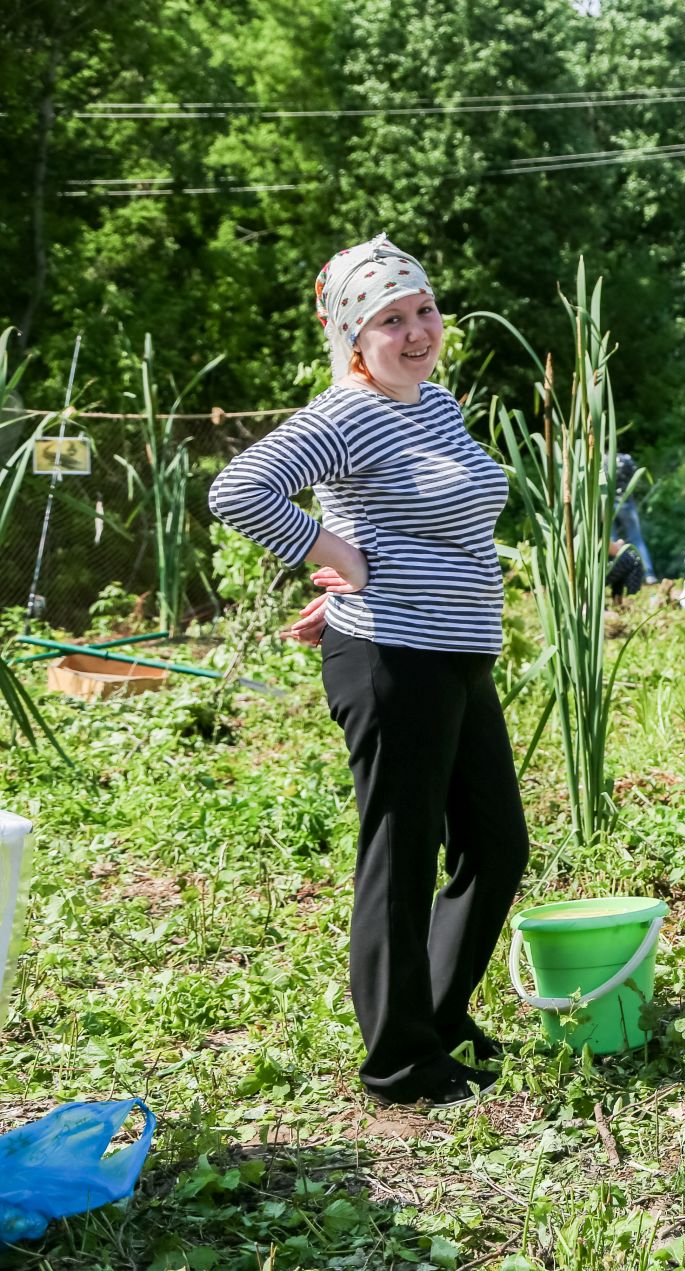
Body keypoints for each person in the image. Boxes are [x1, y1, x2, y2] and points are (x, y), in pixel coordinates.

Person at [208, 233, 525, 1109]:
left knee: (496, 846)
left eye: (424, 309)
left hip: (453, 653)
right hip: (392, 658)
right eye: (391, 319)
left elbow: (432, 521)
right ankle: (399, 1063)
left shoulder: (433, 403)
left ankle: (435, 1015)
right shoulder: (344, 414)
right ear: (355, 335)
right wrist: (334, 554)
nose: (417, 330)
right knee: (402, 854)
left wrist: (356, 561)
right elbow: (240, 490)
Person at [611, 451, 657, 584]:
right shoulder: (627, 459)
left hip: (609, 503)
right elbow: (634, 478)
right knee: (636, 539)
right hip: (627, 502)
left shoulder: (604, 459)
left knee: (612, 539)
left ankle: (615, 572)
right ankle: (649, 574)